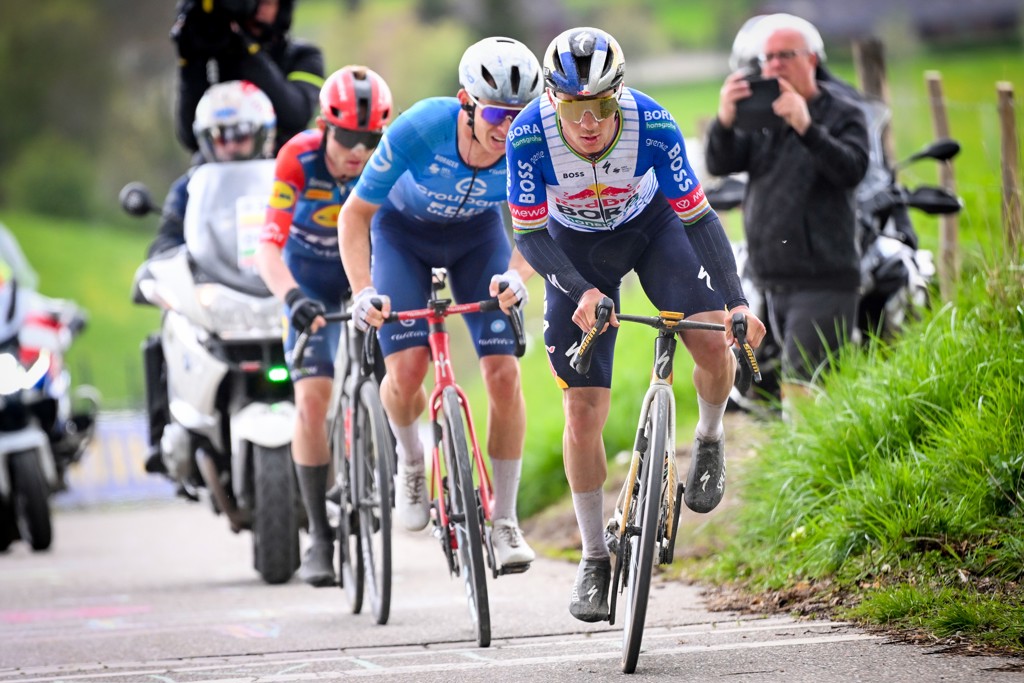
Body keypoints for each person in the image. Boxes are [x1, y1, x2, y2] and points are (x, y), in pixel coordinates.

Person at [504, 26, 766, 623]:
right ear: (553, 101)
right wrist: (580, 290)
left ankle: (708, 437)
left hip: (653, 231)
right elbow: (530, 235)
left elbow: (699, 219)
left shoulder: (653, 123)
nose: (589, 122)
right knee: (581, 410)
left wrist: (736, 302)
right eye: (574, 107)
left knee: (707, 337)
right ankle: (595, 558)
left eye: (600, 106)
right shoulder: (528, 136)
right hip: (574, 250)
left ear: (618, 95)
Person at [338, 36, 542, 571]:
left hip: (478, 238)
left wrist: (519, 276)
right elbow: (354, 216)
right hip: (402, 236)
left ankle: (505, 521)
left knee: (504, 375)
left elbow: (546, 225)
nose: (507, 129)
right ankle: (411, 461)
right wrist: (363, 291)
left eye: (520, 116)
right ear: (466, 101)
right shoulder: (422, 127)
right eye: (496, 112)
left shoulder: (536, 139)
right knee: (405, 372)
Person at [255, 66, 393, 587]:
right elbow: (267, 246)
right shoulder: (298, 157)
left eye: (371, 139)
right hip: (310, 281)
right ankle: (320, 534)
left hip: (369, 273)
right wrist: (290, 297)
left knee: (398, 371)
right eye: (349, 138)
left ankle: (391, 463)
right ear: (325, 127)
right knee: (313, 398)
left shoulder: (385, 159)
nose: (359, 152)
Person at [704, 15, 869, 410]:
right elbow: (720, 161)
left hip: (823, 278)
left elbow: (853, 170)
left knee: (804, 388)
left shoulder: (844, 111)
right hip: (770, 277)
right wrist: (725, 121)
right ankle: (802, 463)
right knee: (772, 390)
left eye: (785, 55)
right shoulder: (761, 116)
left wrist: (807, 126)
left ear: (812, 59)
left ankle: (817, 469)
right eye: (768, 57)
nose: (774, 65)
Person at [141, 80, 277, 475]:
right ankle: (160, 437)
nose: (230, 144)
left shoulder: (285, 177)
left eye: (240, 134)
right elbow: (165, 240)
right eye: (220, 136)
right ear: (205, 139)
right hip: (217, 294)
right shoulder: (188, 188)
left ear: (261, 134)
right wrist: (163, 267)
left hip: (276, 290)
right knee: (163, 332)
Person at [171, 0, 324, 156]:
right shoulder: (217, 51)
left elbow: (295, 116)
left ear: (282, 8)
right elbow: (190, 137)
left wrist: (247, 50)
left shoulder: (305, 55)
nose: (256, 9)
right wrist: (189, 63)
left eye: (266, 2)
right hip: (221, 168)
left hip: (279, 167)